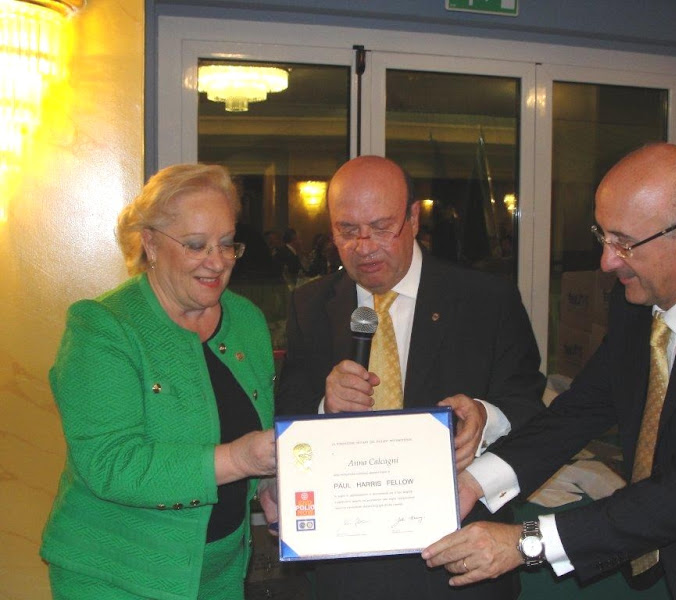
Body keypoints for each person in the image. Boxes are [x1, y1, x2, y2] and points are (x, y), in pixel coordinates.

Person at [422, 143, 676, 599]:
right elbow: (581, 408)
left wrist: (526, 542)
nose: (607, 261)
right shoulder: (638, 296)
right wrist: (474, 481)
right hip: (670, 551)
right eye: (602, 236)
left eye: (623, 242)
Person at [276, 155, 547, 599]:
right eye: (347, 230)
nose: (364, 247)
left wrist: (486, 416)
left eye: (382, 227)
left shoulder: (486, 299)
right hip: (348, 560)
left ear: (414, 218)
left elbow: (529, 406)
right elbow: (288, 413)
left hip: (463, 557)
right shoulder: (310, 305)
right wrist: (325, 407)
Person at [40, 164, 279, 600]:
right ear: (150, 243)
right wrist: (240, 459)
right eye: (196, 245)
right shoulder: (104, 327)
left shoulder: (246, 320)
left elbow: (252, 424)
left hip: (221, 574)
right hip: (116, 576)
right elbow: (112, 464)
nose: (218, 261)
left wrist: (269, 484)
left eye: (227, 243)